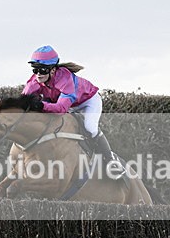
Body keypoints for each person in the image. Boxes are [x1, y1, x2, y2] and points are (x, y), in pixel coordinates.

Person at [21, 45, 124, 175]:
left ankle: (111, 161)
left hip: (88, 102)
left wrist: (40, 105)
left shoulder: (65, 79)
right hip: (67, 104)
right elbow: (23, 102)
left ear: (53, 70)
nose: (38, 74)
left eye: (42, 70)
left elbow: (61, 109)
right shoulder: (34, 81)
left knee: (90, 128)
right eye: (35, 70)